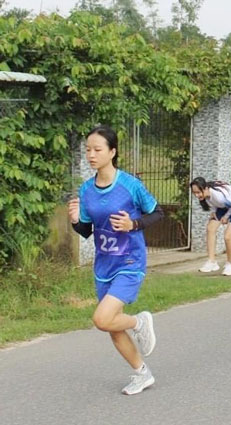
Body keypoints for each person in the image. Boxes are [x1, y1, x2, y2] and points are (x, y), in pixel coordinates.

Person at [68, 125, 163, 395]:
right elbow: (86, 231)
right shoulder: (87, 189)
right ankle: (141, 374)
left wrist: (132, 224)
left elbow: (158, 214)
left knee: (102, 318)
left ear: (112, 151)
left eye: (97, 149)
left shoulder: (130, 185)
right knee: (111, 325)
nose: (91, 155)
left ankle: (139, 322)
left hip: (130, 261)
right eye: (88, 149)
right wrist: (75, 221)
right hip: (104, 265)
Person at [191, 177, 231, 276]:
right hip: (224, 206)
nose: (197, 195)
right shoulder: (207, 196)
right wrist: (214, 212)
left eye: (198, 192)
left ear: (205, 188)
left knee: (227, 236)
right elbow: (213, 204)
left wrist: (226, 217)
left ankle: (230, 264)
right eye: (194, 193)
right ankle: (212, 262)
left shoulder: (218, 196)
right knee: (210, 229)